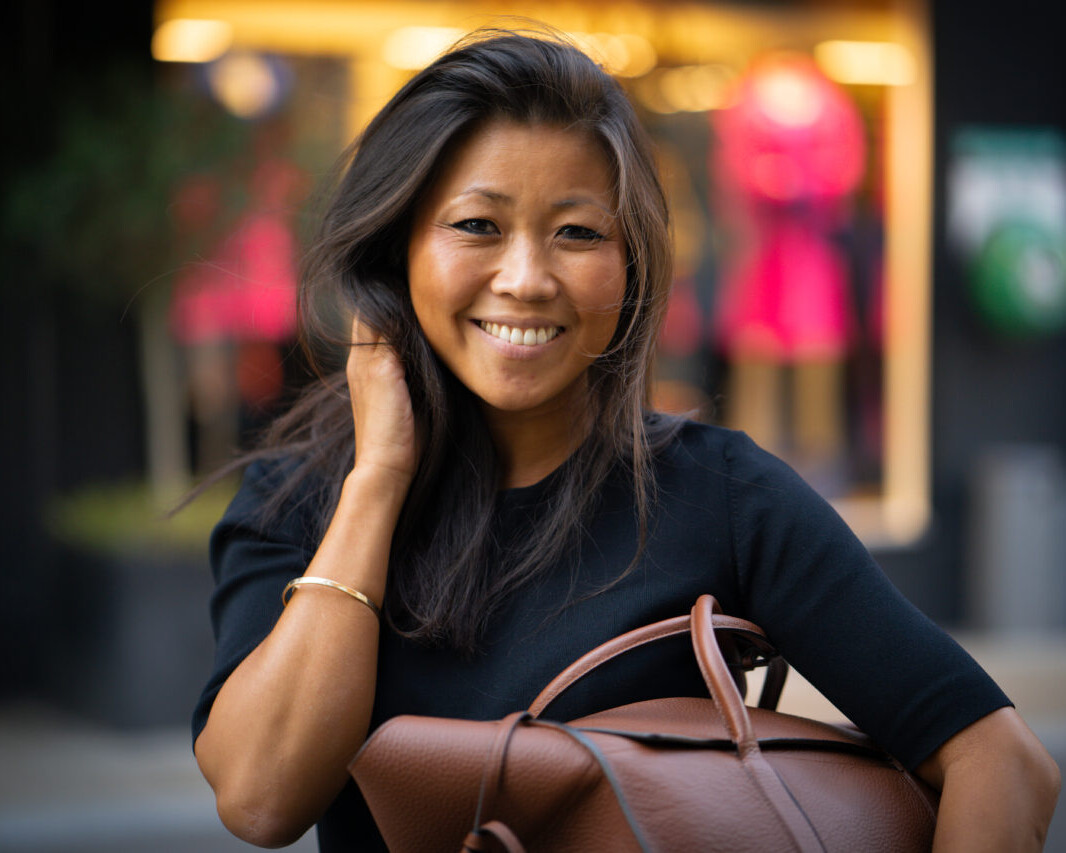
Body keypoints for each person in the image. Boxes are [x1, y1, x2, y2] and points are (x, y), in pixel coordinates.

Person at [191, 30, 1059, 852]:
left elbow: (1001, 762)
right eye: (477, 225)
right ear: (396, 252)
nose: (527, 279)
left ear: (630, 266)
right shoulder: (298, 497)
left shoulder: (721, 494)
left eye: (577, 232)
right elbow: (263, 797)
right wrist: (379, 476)